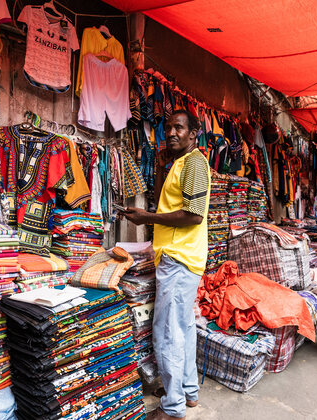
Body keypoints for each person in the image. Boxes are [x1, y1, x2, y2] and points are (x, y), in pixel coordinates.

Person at [121, 110, 210, 420]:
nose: (171, 132)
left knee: (168, 331)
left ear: (193, 133)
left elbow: (193, 215)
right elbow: (163, 202)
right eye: (168, 127)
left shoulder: (195, 163)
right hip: (178, 256)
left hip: (180, 257)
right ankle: (188, 393)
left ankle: (172, 408)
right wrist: (160, 168)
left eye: (179, 128)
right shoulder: (180, 164)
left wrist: (146, 218)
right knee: (182, 327)